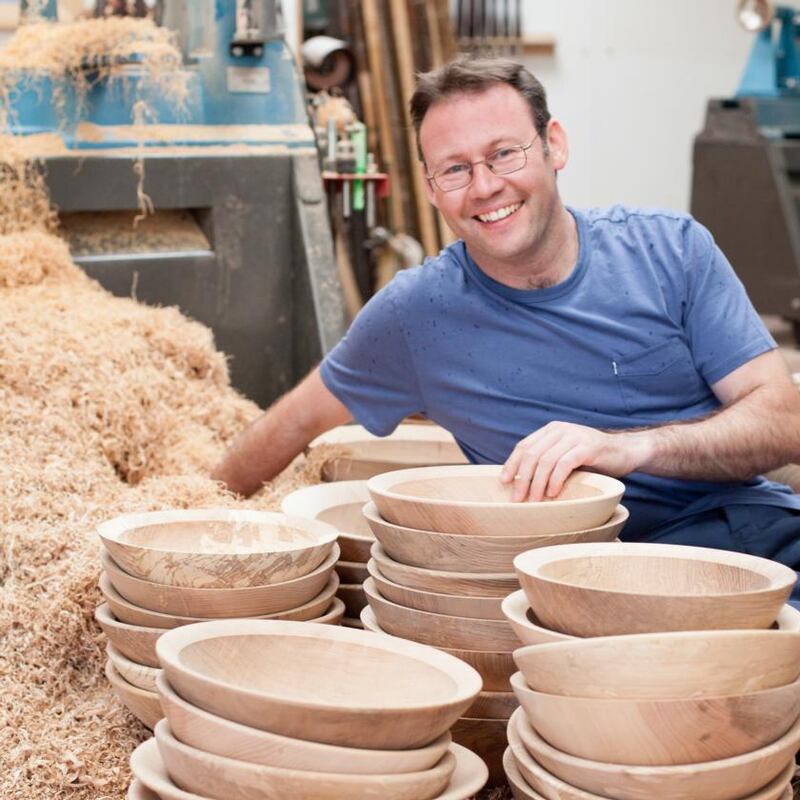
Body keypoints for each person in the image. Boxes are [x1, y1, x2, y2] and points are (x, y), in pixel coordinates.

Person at [213, 56, 800, 596]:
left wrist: (631, 447)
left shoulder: (670, 251)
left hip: (750, 539)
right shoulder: (415, 315)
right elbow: (294, 420)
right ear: (432, 189)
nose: (486, 186)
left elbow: (782, 423)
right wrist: (193, 518)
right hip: (579, 583)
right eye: (455, 169)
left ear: (554, 145)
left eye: (504, 154)